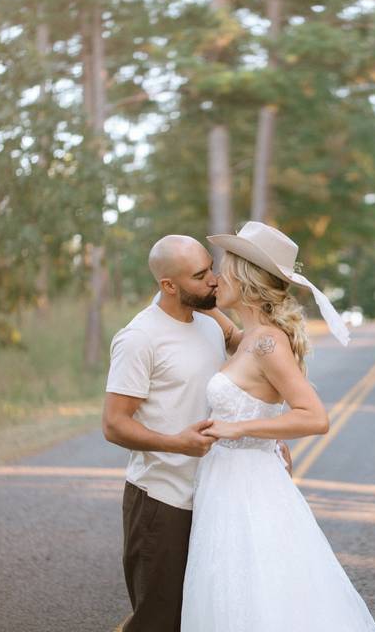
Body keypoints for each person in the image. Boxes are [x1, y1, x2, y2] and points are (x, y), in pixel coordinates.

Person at [181, 221, 375, 631]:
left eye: (222, 268)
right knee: (227, 588)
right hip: (225, 480)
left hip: (248, 485)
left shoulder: (269, 342)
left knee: (257, 591)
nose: (216, 277)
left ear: (244, 277)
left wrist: (238, 430)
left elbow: (314, 416)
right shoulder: (252, 338)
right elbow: (240, 352)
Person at [102, 234, 292, 632]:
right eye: (200, 274)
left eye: (212, 268)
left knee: (207, 615)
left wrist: (268, 432)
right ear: (168, 285)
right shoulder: (140, 338)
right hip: (163, 500)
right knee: (160, 620)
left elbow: (252, 366)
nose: (213, 279)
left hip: (215, 498)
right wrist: (177, 444)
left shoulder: (209, 319)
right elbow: (114, 424)